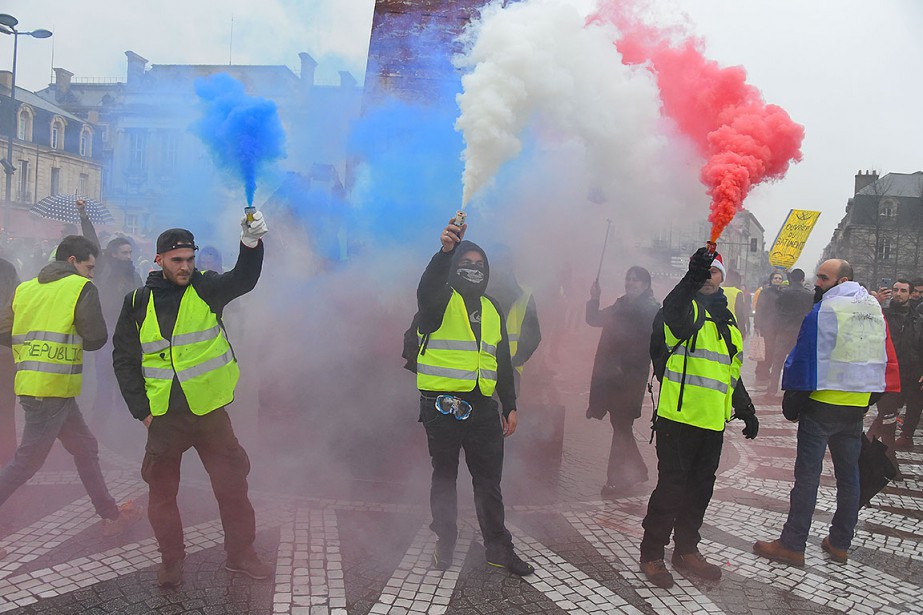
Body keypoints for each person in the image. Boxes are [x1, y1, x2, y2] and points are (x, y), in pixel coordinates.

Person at [112, 212, 270, 588]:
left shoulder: (207, 288)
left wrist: (250, 243)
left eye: (190, 259)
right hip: (164, 416)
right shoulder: (136, 300)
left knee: (232, 486)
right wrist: (142, 412)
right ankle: (171, 560)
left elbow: (244, 279)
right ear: (159, 260)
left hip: (210, 411)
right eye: (177, 260)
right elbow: (124, 359)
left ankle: (241, 555)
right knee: (162, 494)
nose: (185, 267)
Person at [0, 235, 143, 558]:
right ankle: (110, 515)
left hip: (39, 385)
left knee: (86, 449)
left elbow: (3, 329)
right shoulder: (80, 288)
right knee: (25, 464)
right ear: (73, 262)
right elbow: (94, 338)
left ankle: (110, 516)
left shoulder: (27, 288)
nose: (92, 274)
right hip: (50, 389)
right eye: (89, 267)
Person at [754, 259, 899, 566]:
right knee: (850, 478)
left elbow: (803, 358)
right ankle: (840, 542)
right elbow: (883, 357)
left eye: (823, 277)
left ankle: (793, 544)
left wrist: (793, 401)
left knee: (807, 477)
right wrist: (869, 398)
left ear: (841, 279)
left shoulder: (825, 311)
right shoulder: (874, 310)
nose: (817, 282)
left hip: (822, 406)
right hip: (855, 408)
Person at [416, 218, 533, 577]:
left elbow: (501, 361)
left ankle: (498, 549)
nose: (473, 270)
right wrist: (444, 252)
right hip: (442, 407)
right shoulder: (439, 300)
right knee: (445, 476)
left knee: (488, 482)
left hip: (483, 408)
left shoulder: (493, 307)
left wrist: (510, 404)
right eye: (465, 264)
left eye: (479, 265)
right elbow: (426, 289)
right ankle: (445, 541)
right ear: (454, 268)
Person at [639, 249, 758, 589]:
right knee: (671, 488)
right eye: (704, 273)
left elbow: (730, 371)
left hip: (712, 423)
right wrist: (690, 277)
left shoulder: (729, 322)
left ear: (723, 278)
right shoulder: (684, 309)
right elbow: (673, 309)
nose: (709, 277)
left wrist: (745, 406)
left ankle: (686, 550)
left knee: (700, 489)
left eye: (714, 272)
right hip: (678, 419)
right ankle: (652, 553)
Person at [585, 266, 660, 496]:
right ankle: (636, 470)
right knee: (621, 426)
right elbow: (594, 319)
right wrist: (594, 299)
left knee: (621, 426)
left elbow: (648, 346)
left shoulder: (651, 309)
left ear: (646, 284)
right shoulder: (621, 304)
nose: (631, 283)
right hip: (612, 376)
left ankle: (617, 479)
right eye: (628, 278)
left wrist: (623, 363)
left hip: (630, 378)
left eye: (636, 280)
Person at [77, 200, 142, 429]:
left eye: (130, 252)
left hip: (127, 334)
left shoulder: (135, 275)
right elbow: (92, 242)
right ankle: (100, 425)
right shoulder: (103, 266)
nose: (128, 256)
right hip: (107, 331)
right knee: (105, 381)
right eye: (124, 252)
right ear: (113, 253)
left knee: (125, 381)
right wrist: (84, 216)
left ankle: (124, 429)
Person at [869, 279, 922, 466]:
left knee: (887, 416)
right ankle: (890, 459)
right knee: (889, 415)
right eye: (895, 290)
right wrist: (875, 303)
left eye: (903, 290)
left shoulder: (917, 319)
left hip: (910, 375)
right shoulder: (881, 314)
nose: (898, 293)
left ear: (909, 294)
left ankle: (867, 445)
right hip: (887, 373)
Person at [485, 245, 541, 392]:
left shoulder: (524, 295)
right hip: (479, 369)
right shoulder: (478, 293)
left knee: (505, 412)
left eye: (505, 261)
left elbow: (534, 336)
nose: (501, 266)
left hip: (508, 370)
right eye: (498, 262)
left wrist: (515, 361)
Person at [765, 269, 815, 399]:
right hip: (800, 333)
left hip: (784, 332)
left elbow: (776, 311)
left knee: (777, 362)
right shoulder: (809, 295)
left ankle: (772, 388)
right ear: (803, 279)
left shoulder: (783, 293)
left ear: (791, 279)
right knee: (798, 362)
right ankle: (795, 389)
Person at [0, 256, 19, 465]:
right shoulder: (8, 268)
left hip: (4, 347)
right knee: (5, 408)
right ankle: (7, 459)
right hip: (6, 345)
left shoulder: (6, 268)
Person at [754, 270, 784, 386]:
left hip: (776, 326)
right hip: (766, 326)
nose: (777, 280)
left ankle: (765, 370)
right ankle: (761, 371)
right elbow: (759, 308)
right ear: (771, 280)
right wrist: (757, 325)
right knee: (765, 350)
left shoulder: (782, 293)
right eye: (776, 278)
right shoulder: (765, 292)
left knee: (772, 351)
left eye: (779, 278)